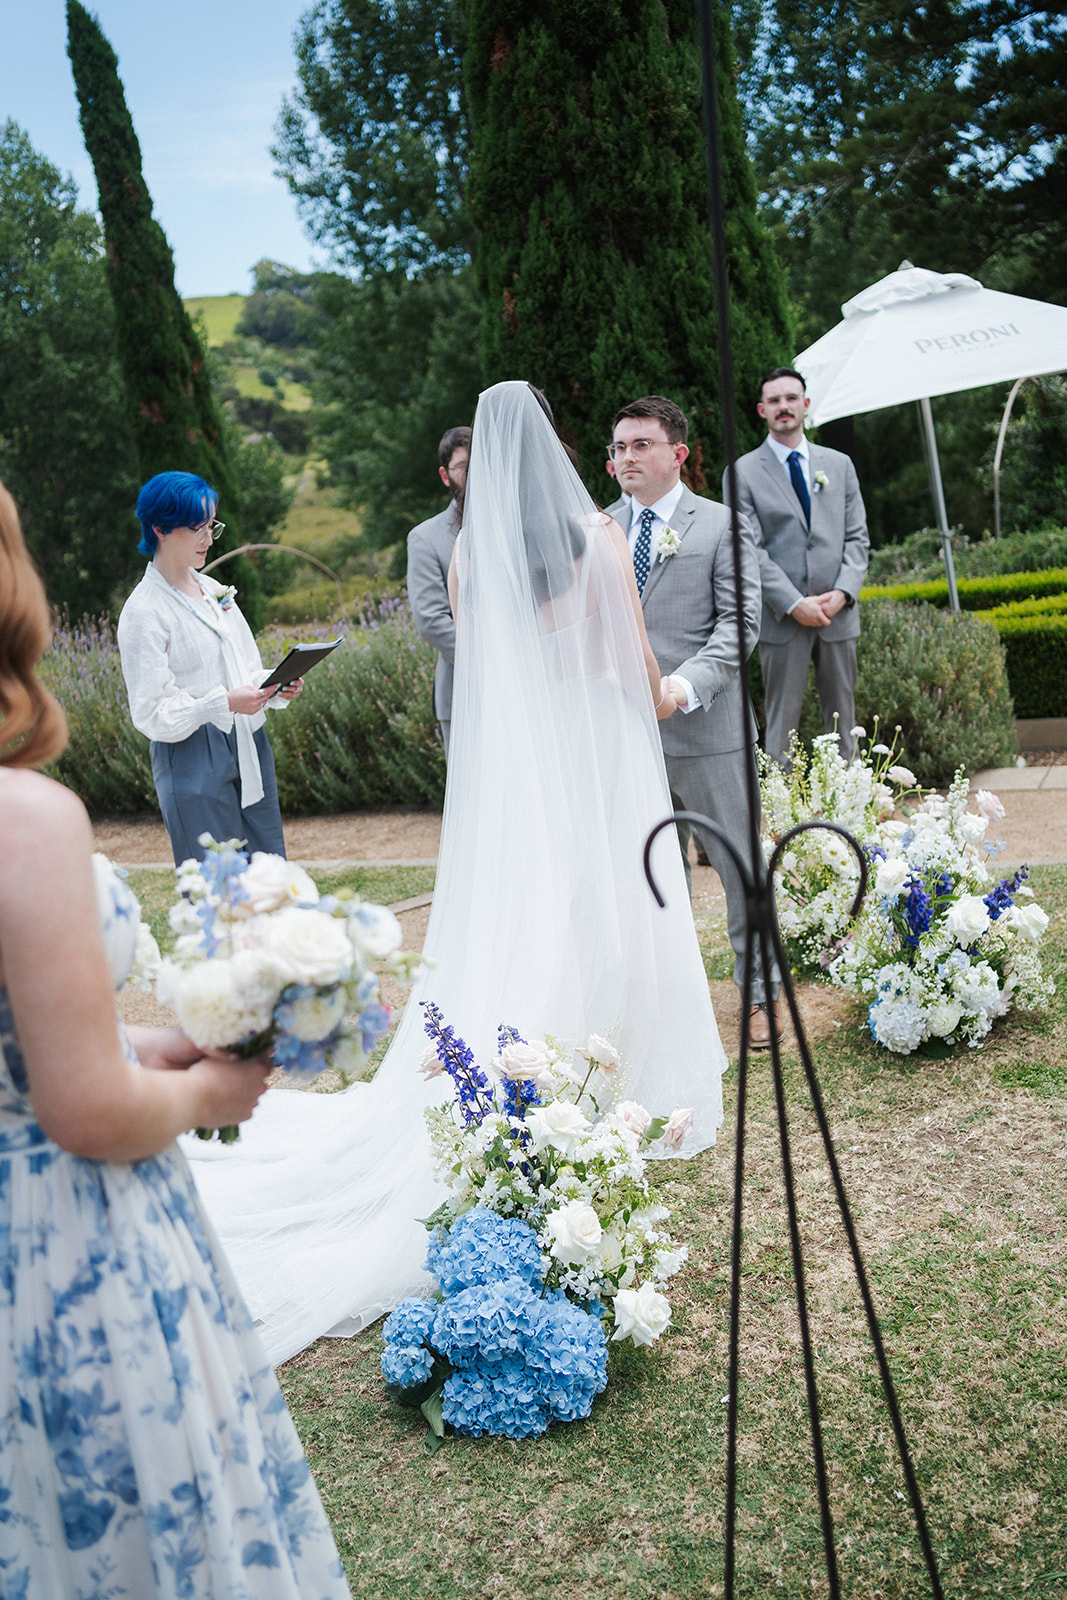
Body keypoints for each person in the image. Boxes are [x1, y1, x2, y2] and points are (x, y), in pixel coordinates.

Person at [184, 382, 729, 1366]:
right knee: (615, 907)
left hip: (521, 777)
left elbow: (488, 676)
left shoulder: (473, 555)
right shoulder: (602, 543)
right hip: (600, 756)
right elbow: (636, 678)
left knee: (532, 921)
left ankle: (543, 1083)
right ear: (558, 457)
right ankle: (618, 1077)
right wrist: (657, 695)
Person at [0, 480, 351, 1597]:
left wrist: (144, 1045)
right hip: (60, 1240)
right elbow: (80, 1108)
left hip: (245, 750)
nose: (209, 531)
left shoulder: (221, 595)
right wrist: (206, 1093)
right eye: (196, 516)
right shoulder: (29, 820)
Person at [605, 395, 782, 1051]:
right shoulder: (599, 530)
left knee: (740, 870)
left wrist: (679, 688)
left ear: (676, 453)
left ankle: (759, 997)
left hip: (710, 734)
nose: (626, 457)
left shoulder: (720, 525)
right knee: (650, 874)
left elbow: (740, 626)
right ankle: (672, 1007)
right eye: (618, 447)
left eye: (639, 445)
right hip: (628, 737)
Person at [117, 471, 302, 866]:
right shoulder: (143, 612)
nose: (208, 538)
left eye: (211, 525)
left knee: (268, 877)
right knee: (217, 886)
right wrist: (221, 704)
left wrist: (272, 685)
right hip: (191, 755)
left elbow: (244, 668)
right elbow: (150, 713)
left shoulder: (213, 589)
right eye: (196, 527)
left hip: (250, 744)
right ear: (160, 528)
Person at [725, 367, 869, 766]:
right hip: (782, 618)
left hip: (837, 614)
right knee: (781, 725)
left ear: (806, 404)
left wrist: (842, 593)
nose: (783, 406)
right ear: (761, 410)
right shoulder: (742, 472)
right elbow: (747, 548)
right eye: (774, 400)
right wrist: (793, 602)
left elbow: (858, 539)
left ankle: (849, 812)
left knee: (845, 722)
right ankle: (785, 818)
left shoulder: (838, 465)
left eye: (791, 398)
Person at [407, 426, 470, 759]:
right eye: (463, 468)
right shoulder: (426, 538)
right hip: (464, 689)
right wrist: (490, 663)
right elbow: (431, 620)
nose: (473, 476)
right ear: (446, 475)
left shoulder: (517, 529)